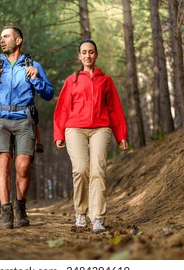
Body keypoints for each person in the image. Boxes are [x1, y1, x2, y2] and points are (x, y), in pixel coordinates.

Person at [0, 26, 54, 229]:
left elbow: (48, 94)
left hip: (24, 119)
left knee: (23, 166)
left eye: (6, 37)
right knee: (2, 164)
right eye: (0, 38)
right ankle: (6, 211)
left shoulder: (32, 65)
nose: (2, 40)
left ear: (18, 40)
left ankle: (20, 205)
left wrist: (36, 78)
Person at [53, 39, 128, 233]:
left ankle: (97, 218)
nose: (88, 55)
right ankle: (80, 212)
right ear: (79, 56)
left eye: (91, 52)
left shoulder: (106, 80)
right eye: (84, 52)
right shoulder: (72, 80)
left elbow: (114, 109)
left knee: (98, 171)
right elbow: (62, 109)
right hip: (75, 128)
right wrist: (58, 133)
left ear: (96, 55)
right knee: (80, 169)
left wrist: (121, 135)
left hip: (100, 128)